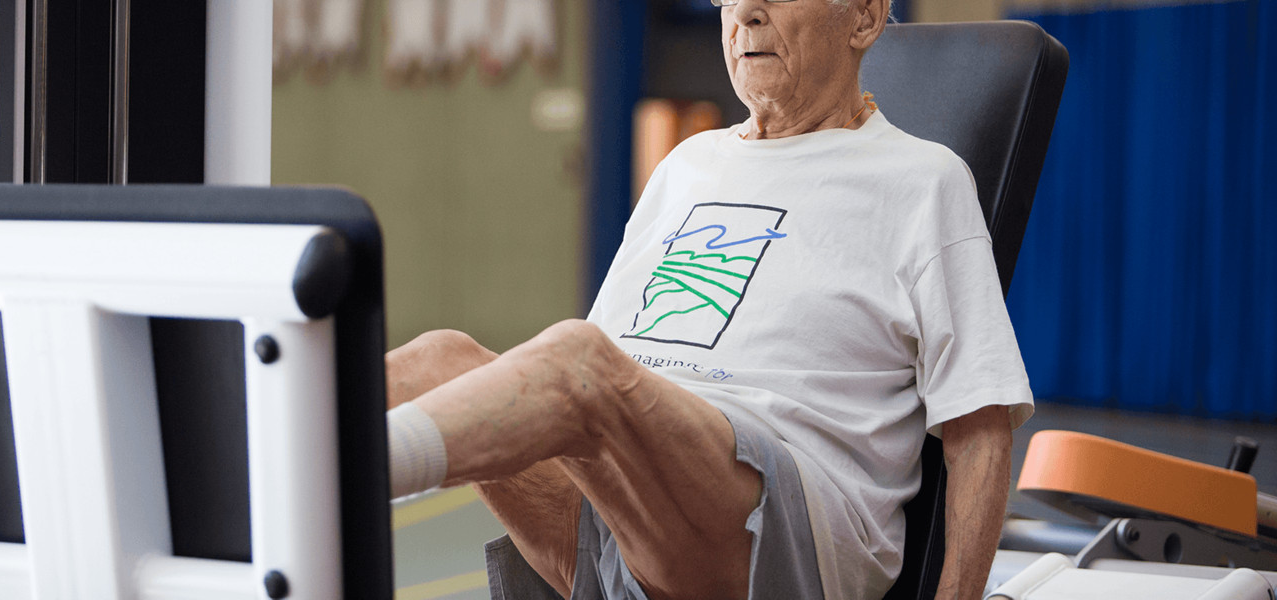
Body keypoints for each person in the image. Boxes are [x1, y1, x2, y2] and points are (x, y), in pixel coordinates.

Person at [384, 0, 1032, 598]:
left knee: (577, 365)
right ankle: (293, 471)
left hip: (781, 530)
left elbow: (979, 431)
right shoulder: (687, 166)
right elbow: (600, 372)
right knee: (436, 362)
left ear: (863, 16)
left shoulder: (924, 180)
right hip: (628, 519)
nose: (745, 13)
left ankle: (349, 469)